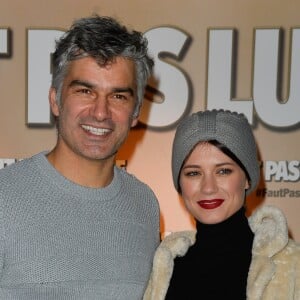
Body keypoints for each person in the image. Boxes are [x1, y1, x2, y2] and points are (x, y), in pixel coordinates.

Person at [0, 15, 160, 299]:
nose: (100, 112)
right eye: (85, 91)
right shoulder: (5, 196)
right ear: (55, 100)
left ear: (136, 112)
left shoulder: (144, 203)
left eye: (118, 96)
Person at [144, 109, 300, 300]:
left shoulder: (292, 265)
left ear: (247, 179)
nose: (208, 188)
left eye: (223, 171)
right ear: (180, 184)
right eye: (193, 173)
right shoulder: (164, 266)